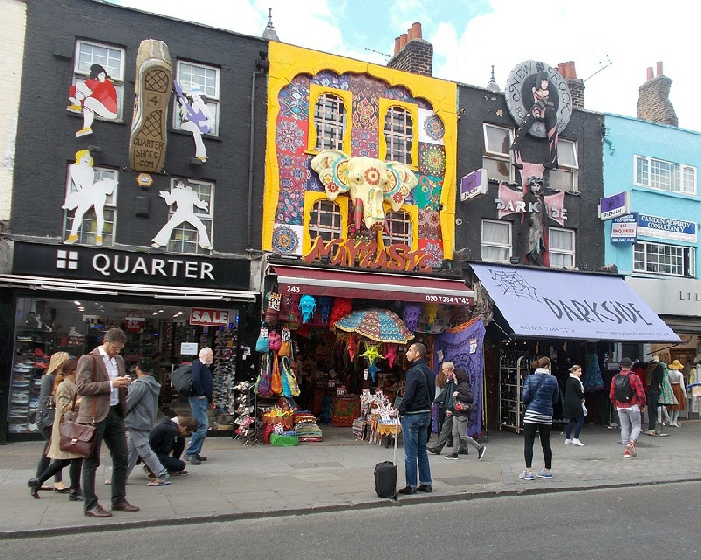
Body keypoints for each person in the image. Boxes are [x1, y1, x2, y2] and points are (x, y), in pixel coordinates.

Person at [76, 327, 139, 518]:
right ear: (106, 342)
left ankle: (118, 499)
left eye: (120, 348)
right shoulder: (89, 359)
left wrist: (124, 384)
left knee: (121, 456)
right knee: (91, 460)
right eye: (115, 347)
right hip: (94, 416)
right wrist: (112, 384)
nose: (117, 351)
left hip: (114, 413)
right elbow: (82, 387)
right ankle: (90, 504)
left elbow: (117, 384)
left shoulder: (118, 360)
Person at [28, 358, 84, 501]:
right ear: (73, 371)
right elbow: (64, 407)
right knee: (73, 459)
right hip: (66, 428)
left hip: (72, 427)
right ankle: (75, 490)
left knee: (65, 461)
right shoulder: (64, 386)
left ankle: (38, 481)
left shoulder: (73, 384)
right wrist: (78, 403)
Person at [125, 358, 170, 486]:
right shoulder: (152, 383)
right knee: (131, 451)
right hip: (146, 418)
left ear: (138, 369)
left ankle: (161, 473)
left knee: (143, 448)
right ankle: (121, 476)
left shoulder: (139, 384)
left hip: (136, 419)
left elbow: (129, 402)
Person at [397, 342, 434, 495]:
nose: (407, 353)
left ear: (418, 354)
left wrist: (401, 409)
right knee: (422, 451)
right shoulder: (429, 372)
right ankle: (426, 482)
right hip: (425, 414)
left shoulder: (413, 372)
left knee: (410, 453)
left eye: (410, 350)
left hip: (413, 416)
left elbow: (408, 395)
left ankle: (411, 484)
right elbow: (432, 394)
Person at [62, 149, 117, 246]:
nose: (86, 159)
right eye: (84, 157)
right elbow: (77, 183)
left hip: (95, 192)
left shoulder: (89, 170)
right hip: (87, 193)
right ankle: (73, 236)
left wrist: (82, 193)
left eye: (88, 157)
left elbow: (87, 183)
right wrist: (80, 193)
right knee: (78, 213)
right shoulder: (73, 167)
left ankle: (99, 237)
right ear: (79, 157)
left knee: (99, 212)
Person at [34, 351, 70, 493]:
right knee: (55, 450)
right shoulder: (48, 378)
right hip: (49, 418)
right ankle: (56, 481)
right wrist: (49, 420)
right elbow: (44, 400)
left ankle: (39, 479)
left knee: (49, 451)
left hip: (56, 417)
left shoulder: (62, 378)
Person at [519, 356, 559, 480]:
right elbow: (555, 399)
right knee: (546, 443)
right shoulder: (553, 380)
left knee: (528, 443)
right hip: (546, 414)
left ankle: (528, 471)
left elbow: (524, 397)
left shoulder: (530, 378)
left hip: (531, 413)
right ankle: (547, 470)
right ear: (547, 367)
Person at [67, 63, 118, 137]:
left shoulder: (107, 84)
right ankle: (77, 106)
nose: (102, 76)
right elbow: (76, 87)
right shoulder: (95, 83)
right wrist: (72, 96)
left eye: (103, 74)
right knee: (80, 85)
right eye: (100, 74)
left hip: (110, 111)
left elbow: (99, 96)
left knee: (89, 101)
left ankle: (87, 127)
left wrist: (84, 97)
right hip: (101, 108)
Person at [609, 357, 646, 459]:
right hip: (633, 405)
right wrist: (642, 405)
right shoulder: (634, 377)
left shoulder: (615, 378)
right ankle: (632, 442)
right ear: (631, 366)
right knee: (636, 425)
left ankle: (626, 451)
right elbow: (641, 393)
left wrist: (614, 403)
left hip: (620, 406)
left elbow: (612, 394)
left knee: (624, 427)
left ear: (621, 366)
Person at [445, 369, 486, 460]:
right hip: (457, 412)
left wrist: (458, 395)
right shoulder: (460, 385)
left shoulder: (464, 385)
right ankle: (455, 452)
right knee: (455, 433)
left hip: (462, 413)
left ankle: (479, 447)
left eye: (454, 375)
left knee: (462, 435)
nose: (453, 377)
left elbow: (470, 398)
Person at [184, 347, 214, 465]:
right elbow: (196, 380)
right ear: (204, 356)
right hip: (198, 398)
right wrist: (201, 393)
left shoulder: (204, 367)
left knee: (202, 424)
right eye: (210, 355)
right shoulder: (198, 364)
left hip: (202, 398)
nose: (212, 358)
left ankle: (195, 452)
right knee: (202, 425)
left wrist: (210, 399)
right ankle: (191, 452)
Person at [428, 362, 456, 455]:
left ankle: (477, 447)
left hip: (451, 408)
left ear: (448, 370)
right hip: (449, 406)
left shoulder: (453, 380)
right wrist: (435, 401)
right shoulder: (449, 380)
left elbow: (452, 396)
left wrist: (450, 408)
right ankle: (439, 447)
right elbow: (444, 394)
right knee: (448, 428)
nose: (443, 371)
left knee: (450, 428)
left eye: (444, 369)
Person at [563, 364, 586, 446]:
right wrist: (582, 398)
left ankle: (567, 438)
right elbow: (579, 393)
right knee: (581, 419)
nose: (580, 373)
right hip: (576, 402)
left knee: (571, 419)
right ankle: (576, 438)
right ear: (574, 371)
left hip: (569, 402)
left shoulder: (569, 380)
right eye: (578, 371)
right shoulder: (576, 381)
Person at [645, 355, 665, 436]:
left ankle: (651, 427)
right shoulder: (659, 367)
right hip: (655, 389)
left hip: (649, 389)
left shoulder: (649, 367)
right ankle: (652, 427)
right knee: (654, 409)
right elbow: (660, 379)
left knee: (650, 409)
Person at [666, 360, 687, 427]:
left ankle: (671, 421)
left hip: (671, 387)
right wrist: (684, 392)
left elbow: (667, 382)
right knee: (677, 406)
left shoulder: (668, 373)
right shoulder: (679, 374)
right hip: (678, 389)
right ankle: (675, 421)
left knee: (671, 405)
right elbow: (682, 385)